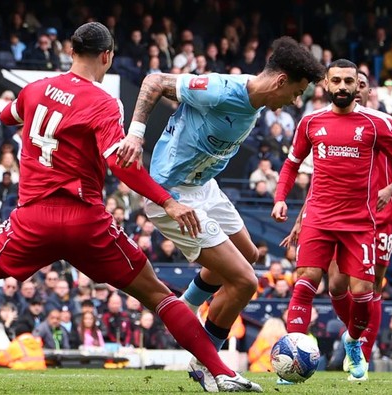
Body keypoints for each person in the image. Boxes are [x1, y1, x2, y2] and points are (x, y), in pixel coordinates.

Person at [0, 22, 260, 392]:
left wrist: (28, 116)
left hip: (32, 220)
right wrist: (168, 202)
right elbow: (121, 164)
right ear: (107, 56)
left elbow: (4, 116)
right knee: (158, 295)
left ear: (70, 51)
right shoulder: (104, 102)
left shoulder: (34, 90)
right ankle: (221, 373)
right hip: (87, 223)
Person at [116, 35, 325, 391]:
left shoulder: (256, 100)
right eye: (295, 92)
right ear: (280, 81)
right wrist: (136, 136)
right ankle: (207, 362)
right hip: (172, 193)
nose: (294, 101)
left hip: (204, 187)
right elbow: (154, 81)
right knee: (245, 281)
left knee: (249, 255)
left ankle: (186, 305)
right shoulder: (220, 89)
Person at [272, 59, 392, 381]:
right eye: (335, 80)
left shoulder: (379, 124)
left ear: (357, 86)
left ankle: (353, 342)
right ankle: (292, 358)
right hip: (319, 218)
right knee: (307, 281)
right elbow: (292, 163)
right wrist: (281, 197)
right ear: (325, 83)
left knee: (364, 292)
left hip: (361, 222)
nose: (341, 87)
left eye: (347, 81)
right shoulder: (310, 123)